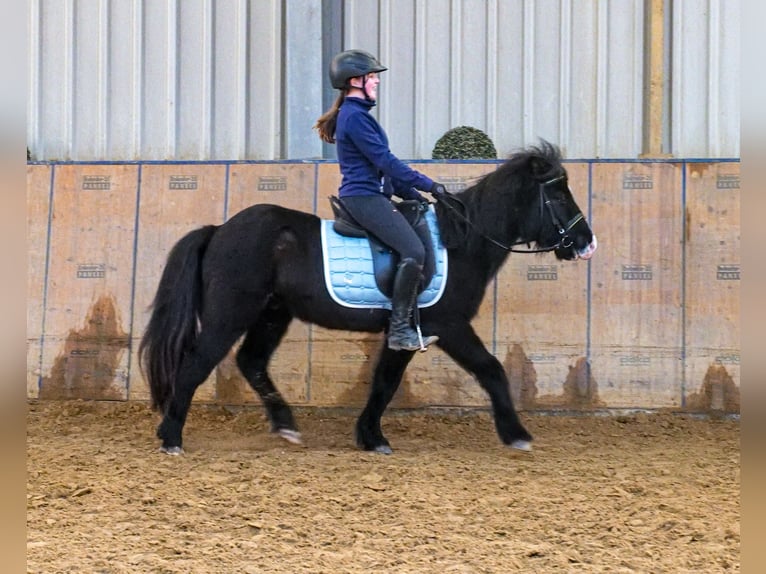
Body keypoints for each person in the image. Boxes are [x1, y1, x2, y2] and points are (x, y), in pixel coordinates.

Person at [314, 49, 447, 352]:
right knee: (413, 249)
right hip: (363, 198)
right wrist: (430, 184)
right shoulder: (355, 118)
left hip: (373, 194)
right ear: (355, 80)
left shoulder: (358, 117)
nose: (376, 81)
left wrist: (416, 195)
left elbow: (385, 170)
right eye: (372, 76)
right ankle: (400, 331)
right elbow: (386, 161)